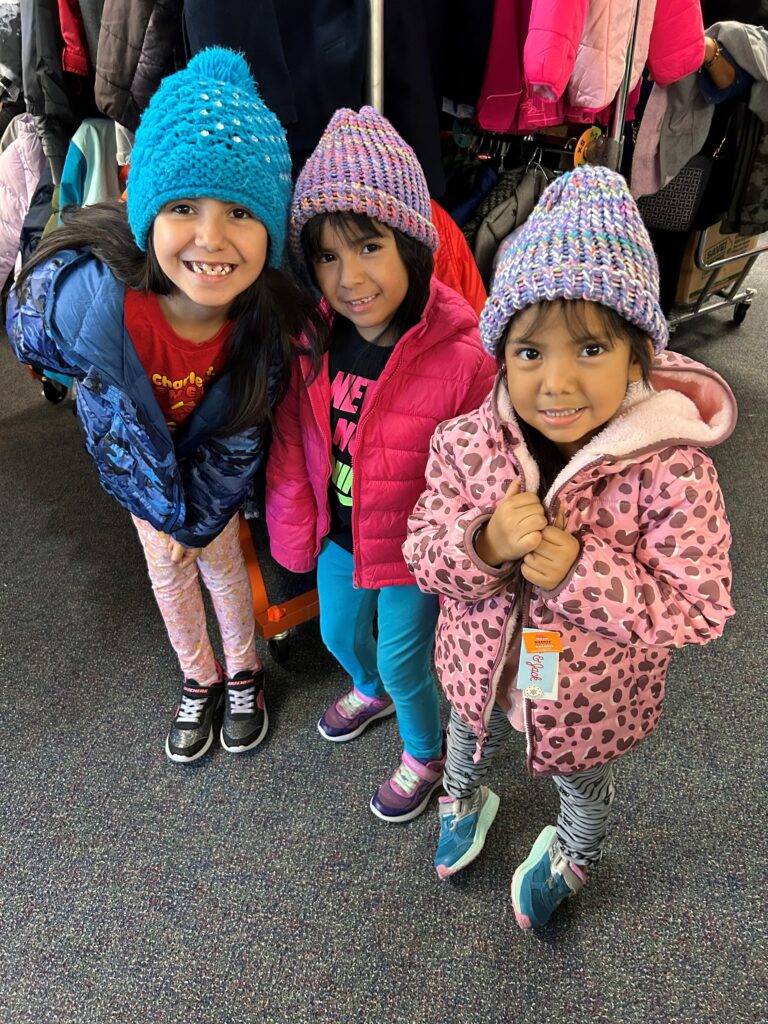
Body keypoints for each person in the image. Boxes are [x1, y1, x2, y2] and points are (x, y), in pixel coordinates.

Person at [403, 164, 736, 927]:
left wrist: (585, 575)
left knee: (580, 776)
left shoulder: (673, 468)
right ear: (502, 355)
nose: (555, 382)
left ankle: (577, 848)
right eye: (529, 352)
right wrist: (481, 544)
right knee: (466, 725)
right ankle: (462, 793)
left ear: (638, 355)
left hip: (587, 693)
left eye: (589, 349)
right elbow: (421, 547)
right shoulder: (467, 440)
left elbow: (701, 606)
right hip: (476, 659)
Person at [7, 48, 323, 764]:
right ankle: (198, 677)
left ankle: (242, 672)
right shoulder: (97, 301)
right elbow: (35, 322)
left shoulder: (263, 329)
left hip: (208, 469)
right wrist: (161, 506)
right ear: (147, 209)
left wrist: (197, 512)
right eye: (184, 207)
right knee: (166, 567)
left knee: (216, 557)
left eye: (240, 211)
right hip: (138, 466)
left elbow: (239, 437)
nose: (211, 238)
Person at [266, 106, 495, 823]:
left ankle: (424, 753)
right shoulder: (316, 342)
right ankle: (371, 688)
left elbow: (488, 465)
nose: (349, 276)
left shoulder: (462, 356)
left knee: (405, 659)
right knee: (338, 635)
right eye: (328, 256)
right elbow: (297, 437)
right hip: (341, 535)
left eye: (367, 247)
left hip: (412, 553)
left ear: (409, 245)